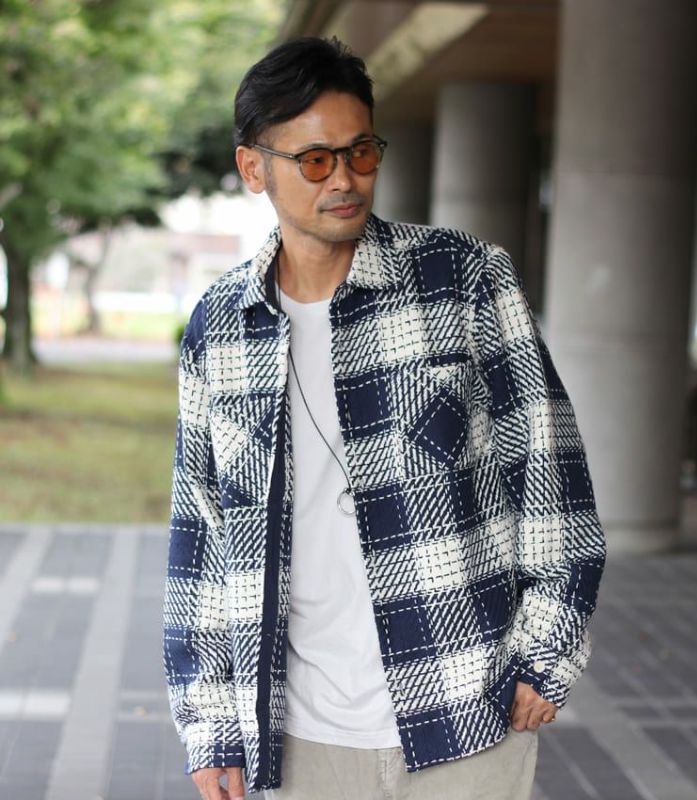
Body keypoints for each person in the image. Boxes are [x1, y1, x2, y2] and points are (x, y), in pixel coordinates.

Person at [162, 36, 606, 800]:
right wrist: (209, 723)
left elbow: (548, 469)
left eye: (361, 152)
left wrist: (547, 651)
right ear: (253, 169)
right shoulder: (220, 326)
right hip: (299, 733)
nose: (344, 179)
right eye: (315, 160)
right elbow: (200, 536)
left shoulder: (464, 281)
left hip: (466, 710)